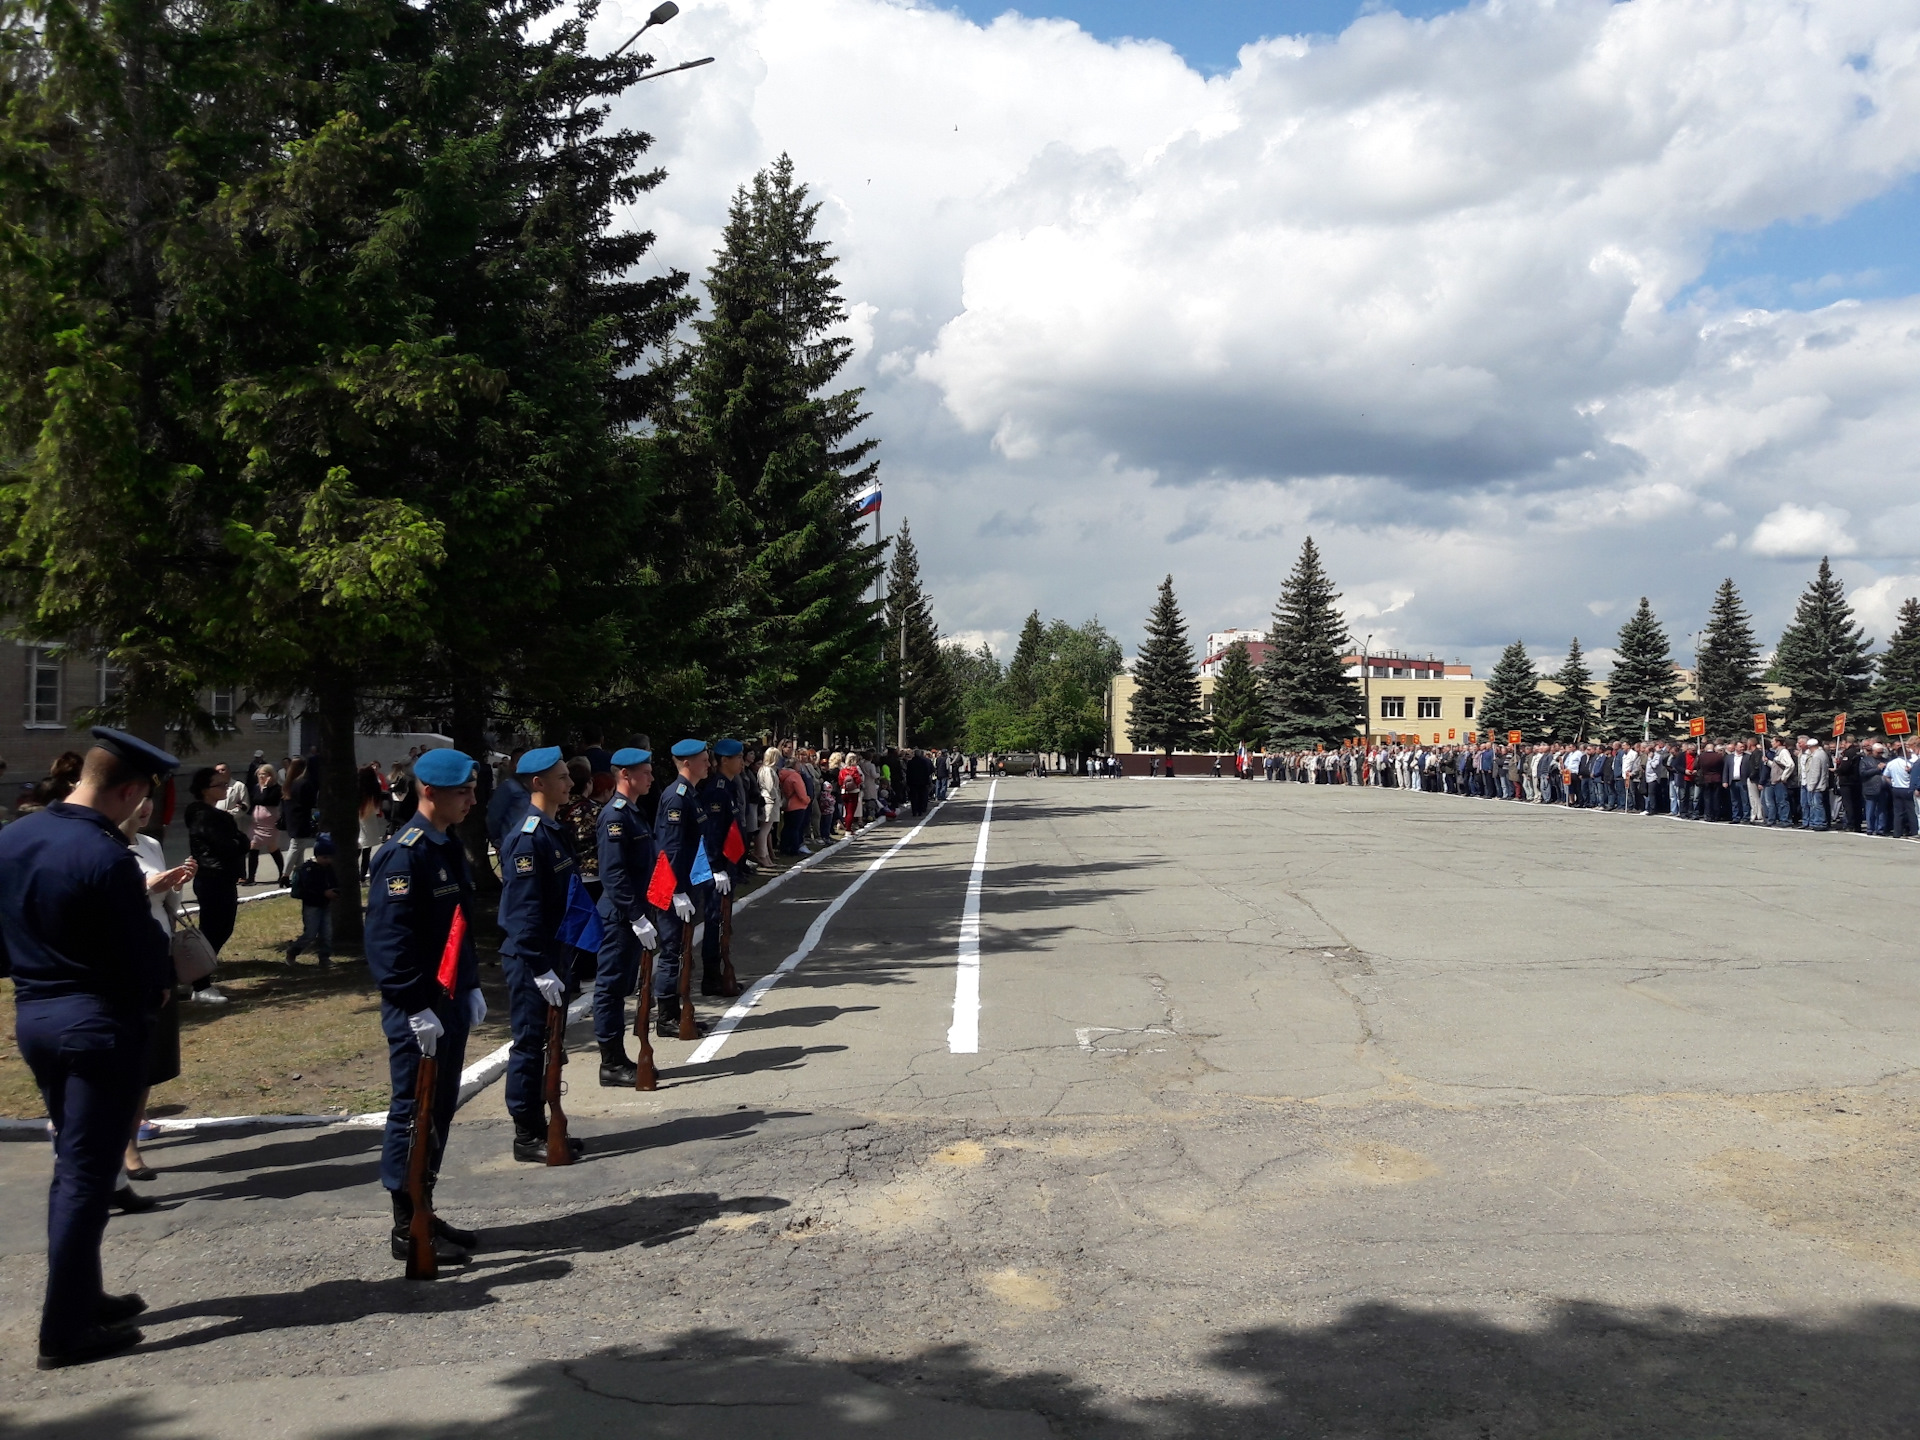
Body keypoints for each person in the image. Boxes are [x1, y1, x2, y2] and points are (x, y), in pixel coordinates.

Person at [0, 728, 178, 1367]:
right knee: (85, 1174)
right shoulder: (106, 855)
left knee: (79, 1165)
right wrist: (156, 988)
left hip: (38, 1016)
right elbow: (141, 953)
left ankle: (83, 1294)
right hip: (99, 1024)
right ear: (129, 790)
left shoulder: (14, 836)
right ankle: (65, 1330)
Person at [363, 747, 487, 1267]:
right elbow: (389, 945)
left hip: (449, 1002)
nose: (471, 800)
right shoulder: (405, 853)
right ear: (429, 792)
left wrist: (472, 984)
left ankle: (425, 1207)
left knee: (437, 1111)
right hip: (419, 1009)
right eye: (462, 791)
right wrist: (415, 1006)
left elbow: (459, 929)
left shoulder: (446, 846)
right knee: (413, 1112)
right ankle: (405, 1221)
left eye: (472, 790)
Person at [494, 747, 585, 1162]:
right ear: (538, 784)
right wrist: (540, 966)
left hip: (555, 953)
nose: (569, 784)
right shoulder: (528, 838)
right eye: (562, 777)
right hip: (534, 958)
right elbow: (522, 911)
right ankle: (526, 1133)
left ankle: (545, 1123)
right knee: (530, 1044)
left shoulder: (553, 829)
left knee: (550, 1042)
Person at [118, 793, 192, 1206]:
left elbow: (167, 904)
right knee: (124, 1060)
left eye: (150, 799)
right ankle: (118, 1151)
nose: (145, 807)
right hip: (124, 963)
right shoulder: (104, 845)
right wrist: (148, 886)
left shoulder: (150, 845)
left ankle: (129, 1138)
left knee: (147, 1060)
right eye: (137, 799)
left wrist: (175, 883)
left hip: (158, 956)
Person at [593, 748, 658, 1085]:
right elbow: (614, 873)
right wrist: (635, 916)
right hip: (620, 917)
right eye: (645, 772)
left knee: (624, 985)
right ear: (626, 775)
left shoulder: (633, 812)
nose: (650, 777)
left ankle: (618, 1058)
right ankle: (612, 1061)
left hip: (635, 913)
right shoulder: (616, 815)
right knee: (611, 988)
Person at [652, 739, 714, 1038]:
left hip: (684, 882)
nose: (708, 764)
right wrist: (676, 891)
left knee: (680, 949)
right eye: (703, 759)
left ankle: (676, 1011)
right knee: (672, 950)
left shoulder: (690, 794)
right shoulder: (677, 797)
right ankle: (666, 1016)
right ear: (686, 763)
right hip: (672, 884)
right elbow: (671, 848)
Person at [182, 766, 246, 1004]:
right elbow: (231, 845)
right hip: (213, 878)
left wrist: (238, 840)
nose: (225, 788)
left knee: (219, 929)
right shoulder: (205, 815)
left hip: (220, 878)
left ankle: (199, 981)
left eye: (225, 784)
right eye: (219, 785)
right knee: (213, 931)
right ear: (204, 790)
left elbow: (240, 842)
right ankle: (200, 985)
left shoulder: (213, 815)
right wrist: (238, 840)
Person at [698, 740, 748, 999]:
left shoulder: (728, 787)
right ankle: (711, 977)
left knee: (722, 922)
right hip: (718, 868)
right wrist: (717, 867)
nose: (742, 761)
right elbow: (713, 833)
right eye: (737, 757)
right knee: (715, 921)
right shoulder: (717, 790)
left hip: (728, 866)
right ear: (724, 760)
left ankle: (718, 973)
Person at [284, 835, 339, 969]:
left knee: (327, 932)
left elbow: (334, 881)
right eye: (324, 857)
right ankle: (293, 951)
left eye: (330, 857)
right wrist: (323, 892)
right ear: (317, 855)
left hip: (325, 904)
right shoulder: (308, 869)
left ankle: (324, 957)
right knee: (310, 933)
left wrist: (336, 890)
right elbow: (309, 887)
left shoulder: (329, 868)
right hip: (311, 905)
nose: (328, 860)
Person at [247, 764, 285, 883]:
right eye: (259, 774)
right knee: (253, 847)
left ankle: (282, 873)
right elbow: (255, 800)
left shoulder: (276, 788)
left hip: (270, 822)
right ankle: (251, 877)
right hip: (257, 823)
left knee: (272, 847)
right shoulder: (256, 787)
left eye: (264, 774)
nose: (261, 776)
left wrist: (266, 788)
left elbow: (265, 800)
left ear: (271, 775)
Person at [906, 748, 934, 816]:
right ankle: (920, 810)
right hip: (923, 782)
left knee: (914, 797)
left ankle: (914, 811)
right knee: (922, 796)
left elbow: (908, 773)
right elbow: (928, 771)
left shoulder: (910, 762)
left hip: (913, 782)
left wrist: (908, 782)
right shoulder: (924, 762)